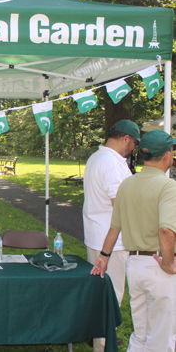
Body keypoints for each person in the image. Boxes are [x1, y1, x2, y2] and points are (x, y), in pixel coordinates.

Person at [91, 129, 176, 352]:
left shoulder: (127, 184)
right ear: (167, 154)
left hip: (135, 265)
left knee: (140, 334)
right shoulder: (168, 187)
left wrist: (104, 256)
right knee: (162, 337)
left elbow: (114, 227)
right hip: (159, 264)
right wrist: (168, 263)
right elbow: (166, 231)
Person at [82, 119, 140, 351]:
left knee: (99, 295)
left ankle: (99, 338)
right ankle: (104, 344)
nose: (134, 148)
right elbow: (121, 206)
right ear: (126, 138)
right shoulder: (112, 163)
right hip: (111, 242)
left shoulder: (96, 157)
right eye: (134, 143)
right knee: (112, 297)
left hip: (97, 235)